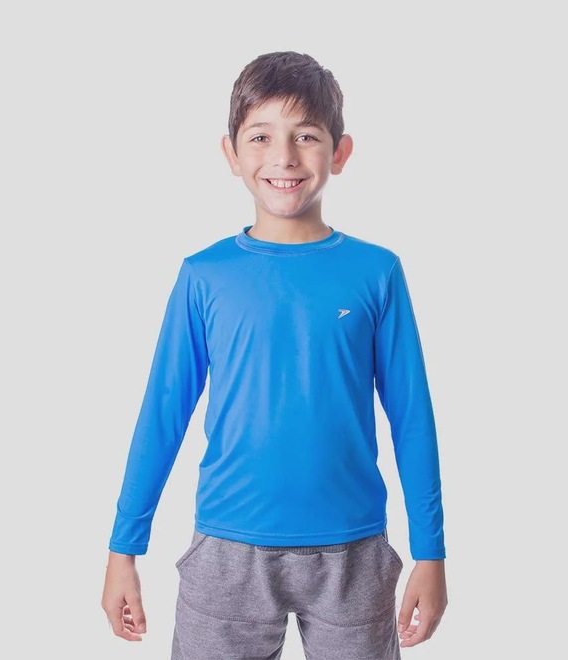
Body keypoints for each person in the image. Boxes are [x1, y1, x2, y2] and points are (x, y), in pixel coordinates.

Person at [101, 50, 448, 659]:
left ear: (339, 152)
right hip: (227, 550)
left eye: (306, 136)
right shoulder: (205, 275)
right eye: (261, 136)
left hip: (352, 551)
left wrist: (431, 553)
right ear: (231, 153)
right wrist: (123, 549)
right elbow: (162, 414)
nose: (284, 157)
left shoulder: (376, 272)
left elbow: (411, 417)